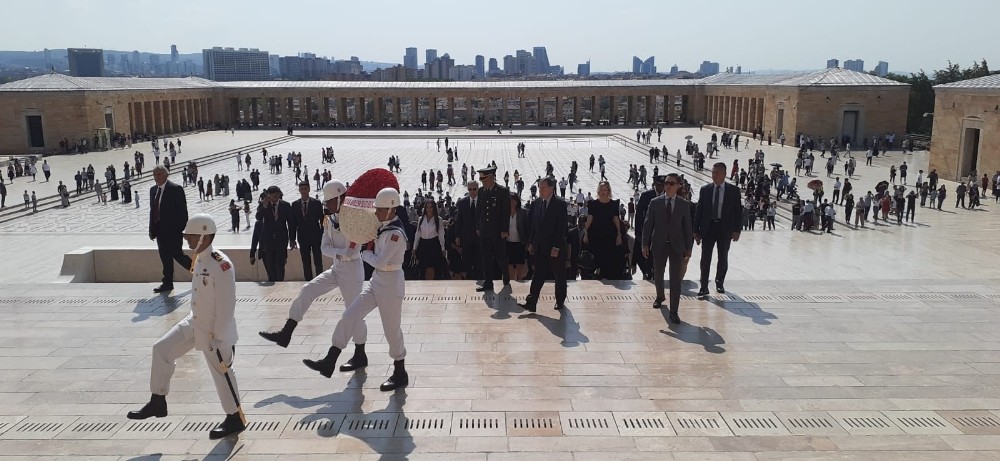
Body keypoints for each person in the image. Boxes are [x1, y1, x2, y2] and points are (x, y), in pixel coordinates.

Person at [126, 214, 246, 440]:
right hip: (195, 322)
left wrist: (219, 337)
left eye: (190, 237)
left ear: (204, 235)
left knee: (222, 374)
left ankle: (235, 418)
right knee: (161, 349)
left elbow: (227, 304)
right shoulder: (200, 258)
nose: (187, 241)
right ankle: (158, 400)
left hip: (214, 331)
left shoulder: (221, 265)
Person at [303, 188, 410, 392]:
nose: (376, 212)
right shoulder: (382, 226)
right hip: (377, 281)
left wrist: (364, 251)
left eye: (379, 209)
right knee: (350, 315)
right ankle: (330, 359)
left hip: (391, 283)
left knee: (391, 331)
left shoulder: (396, 234)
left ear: (390, 209)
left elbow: (379, 261)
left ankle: (400, 372)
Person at [259, 180, 368, 372]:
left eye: (331, 201)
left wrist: (339, 252)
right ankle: (287, 332)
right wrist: (339, 253)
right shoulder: (330, 220)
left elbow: (352, 251)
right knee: (308, 289)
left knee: (353, 313)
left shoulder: (354, 221)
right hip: (338, 267)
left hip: (352, 270)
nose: (328, 206)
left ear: (340, 198)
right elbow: (323, 247)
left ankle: (360, 353)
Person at [641, 173, 693, 324]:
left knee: (675, 279)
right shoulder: (655, 202)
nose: (668, 186)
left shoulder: (683, 204)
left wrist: (688, 248)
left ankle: (674, 311)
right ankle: (659, 296)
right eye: (666, 183)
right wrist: (645, 244)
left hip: (677, 246)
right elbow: (648, 224)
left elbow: (687, 227)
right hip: (659, 244)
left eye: (671, 183)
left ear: (678, 186)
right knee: (658, 274)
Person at [518, 177, 568, 312]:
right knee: (538, 274)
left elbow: (561, 227)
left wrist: (556, 247)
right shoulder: (537, 203)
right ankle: (531, 302)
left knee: (559, 275)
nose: (540, 190)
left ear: (551, 188)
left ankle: (560, 300)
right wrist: (531, 243)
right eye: (539, 188)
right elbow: (533, 226)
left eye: (543, 188)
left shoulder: (560, 204)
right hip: (539, 246)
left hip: (554, 247)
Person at [694, 162, 743, 297]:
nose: (714, 175)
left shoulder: (733, 191)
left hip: (724, 228)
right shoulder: (706, 189)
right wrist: (695, 230)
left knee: (723, 257)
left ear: (724, 174)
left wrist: (737, 230)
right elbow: (700, 210)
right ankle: (704, 286)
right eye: (713, 172)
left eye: (717, 173)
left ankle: (719, 282)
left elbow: (738, 211)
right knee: (705, 258)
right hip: (708, 228)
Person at [148, 166, 192, 293]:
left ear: (166, 175)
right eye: (155, 174)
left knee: (178, 255)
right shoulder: (153, 190)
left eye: (159, 174)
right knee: (165, 258)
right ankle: (167, 282)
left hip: (173, 231)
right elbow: (153, 211)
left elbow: (183, 212)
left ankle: (198, 272)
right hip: (159, 232)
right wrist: (152, 229)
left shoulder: (176, 189)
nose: (156, 177)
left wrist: (178, 229)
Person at [474, 167, 510, 292]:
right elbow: (479, 210)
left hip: (498, 230)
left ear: (490, 177)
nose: (483, 182)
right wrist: (478, 227)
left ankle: (506, 275)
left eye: (484, 179)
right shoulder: (481, 191)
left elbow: (505, 212)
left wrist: (504, 229)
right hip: (485, 230)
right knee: (486, 257)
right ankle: (488, 282)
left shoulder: (502, 191)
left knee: (500, 256)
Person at [583, 181, 624, 279]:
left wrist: (619, 234)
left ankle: (606, 274)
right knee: (596, 254)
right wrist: (586, 232)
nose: (603, 191)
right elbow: (590, 219)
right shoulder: (592, 204)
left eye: (605, 190)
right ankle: (596, 273)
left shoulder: (614, 204)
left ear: (608, 191)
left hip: (609, 233)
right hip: (595, 233)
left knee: (608, 255)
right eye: (601, 189)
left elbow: (616, 219)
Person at [251, 186, 292, 282]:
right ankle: (272, 283)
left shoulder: (285, 205)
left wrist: (292, 239)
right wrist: (264, 206)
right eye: (272, 194)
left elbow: (290, 223)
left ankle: (280, 285)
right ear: (268, 195)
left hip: (281, 240)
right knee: (270, 266)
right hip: (268, 241)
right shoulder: (264, 205)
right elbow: (258, 217)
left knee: (280, 266)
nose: (275, 196)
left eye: (276, 193)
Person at [288, 181, 325, 281]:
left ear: (309, 189)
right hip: (302, 237)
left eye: (305, 189)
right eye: (302, 189)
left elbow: (322, 220)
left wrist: (323, 234)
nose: (304, 191)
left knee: (318, 259)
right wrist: (292, 239)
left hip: (315, 236)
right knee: (305, 260)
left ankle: (319, 280)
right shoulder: (295, 205)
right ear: (299, 190)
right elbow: (292, 224)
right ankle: (308, 280)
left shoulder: (316, 203)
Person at [412, 201, 447, 280]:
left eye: (431, 207)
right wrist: (414, 247)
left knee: (435, 266)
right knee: (423, 266)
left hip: (434, 244)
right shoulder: (421, 219)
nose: (429, 209)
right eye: (427, 207)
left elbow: (441, 235)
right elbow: (417, 234)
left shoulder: (439, 220)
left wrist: (443, 248)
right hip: (423, 244)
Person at [506, 193, 529, 281]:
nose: (512, 202)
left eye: (514, 200)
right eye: (510, 200)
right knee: (509, 264)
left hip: (520, 242)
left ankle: (519, 280)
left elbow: (527, 227)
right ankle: (511, 281)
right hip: (507, 242)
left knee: (520, 264)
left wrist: (527, 242)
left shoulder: (523, 212)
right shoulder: (504, 212)